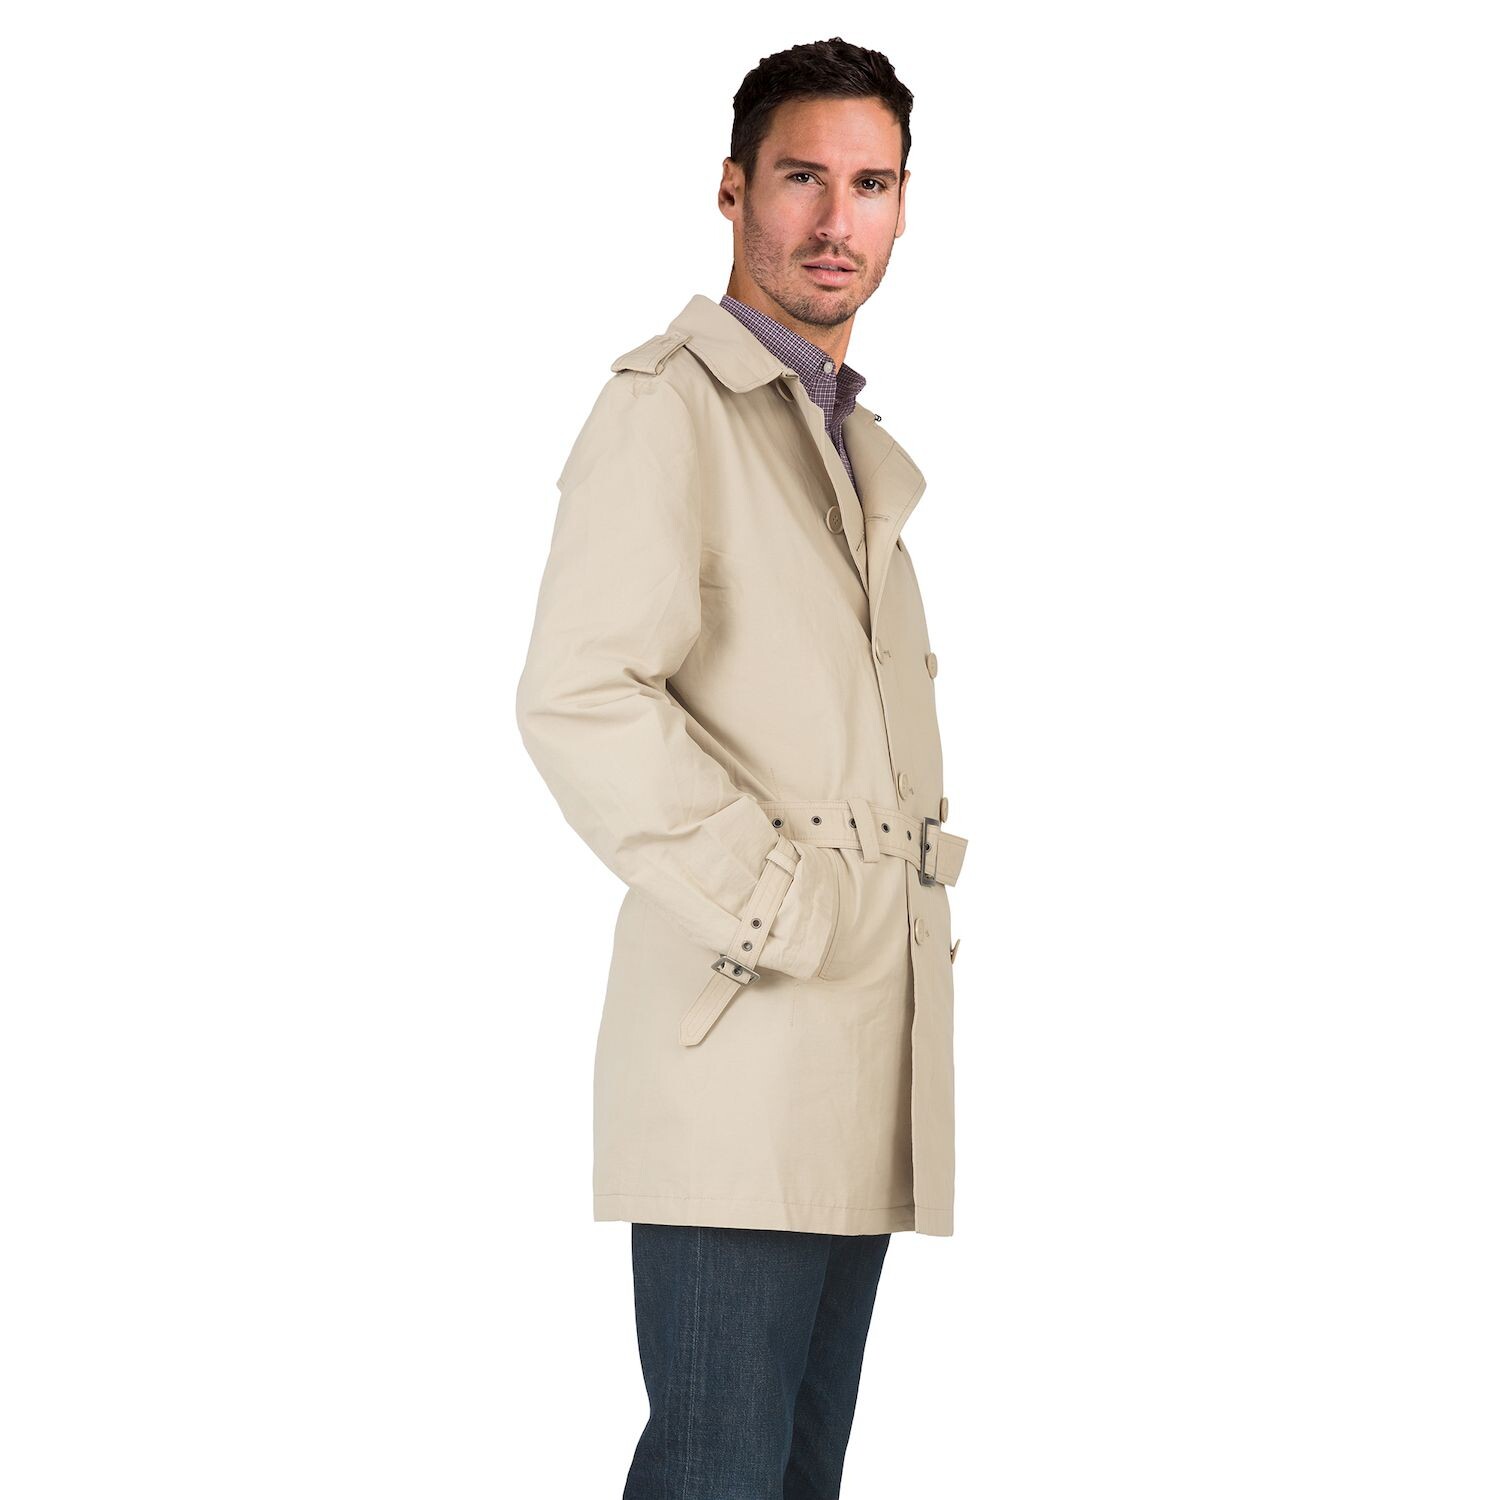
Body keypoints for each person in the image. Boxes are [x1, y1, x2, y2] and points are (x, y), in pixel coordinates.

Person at [515, 35, 968, 1498]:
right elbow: (580, 694)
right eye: (801, 178)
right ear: (732, 190)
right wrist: (782, 900)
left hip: (857, 1043)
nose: (837, 219)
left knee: (789, 1477)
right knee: (721, 1471)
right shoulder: (669, 408)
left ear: (903, 207)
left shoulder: (839, 440)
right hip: (740, 1036)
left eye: (870, 184)